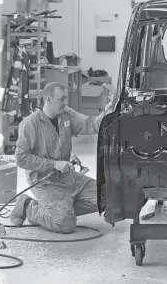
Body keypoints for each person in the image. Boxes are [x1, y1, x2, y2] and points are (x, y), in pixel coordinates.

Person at [10, 82, 113, 234]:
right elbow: (21, 158)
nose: (65, 103)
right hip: (45, 181)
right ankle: (28, 205)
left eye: (66, 98)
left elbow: (91, 125)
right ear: (48, 99)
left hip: (67, 177)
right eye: (62, 99)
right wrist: (53, 164)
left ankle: (56, 211)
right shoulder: (30, 124)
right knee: (65, 225)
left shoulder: (66, 114)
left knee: (109, 196)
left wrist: (109, 110)